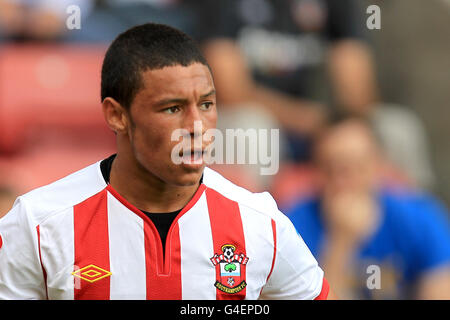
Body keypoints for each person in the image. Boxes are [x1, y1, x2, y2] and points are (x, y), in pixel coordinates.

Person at [0, 23, 334, 300]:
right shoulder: (38, 225)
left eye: (206, 104)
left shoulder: (261, 223)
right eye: (172, 108)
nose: (196, 127)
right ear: (116, 115)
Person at [285, 115, 450, 299]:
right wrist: (341, 242)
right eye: (331, 169)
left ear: (378, 164)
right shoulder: (291, 226)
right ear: (315, 170)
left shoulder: (421, 218)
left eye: (356, 167)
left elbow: (440, 289)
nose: (343, 181)